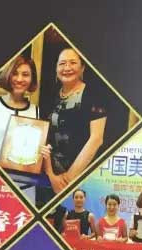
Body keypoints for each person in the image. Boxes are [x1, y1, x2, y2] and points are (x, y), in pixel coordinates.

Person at [38, 47, 107, 207]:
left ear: (82, 68)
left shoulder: (94, 95)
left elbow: (96, 139)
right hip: (50, 178)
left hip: (81, 178)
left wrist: (68, 179)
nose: (67, 68)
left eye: (73, 63)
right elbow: (45, 138)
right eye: (62, 63)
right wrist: (51, 175)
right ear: (56, 68)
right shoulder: (50, 96)